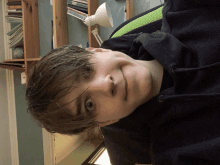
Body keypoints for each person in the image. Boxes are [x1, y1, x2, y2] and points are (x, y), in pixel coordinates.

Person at [25, 0, 220, 164]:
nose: (106, 85)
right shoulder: (178, 156)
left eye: (87, 71)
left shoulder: (187, 8)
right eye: (89, 104)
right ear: (104, 121)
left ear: (99, 51)